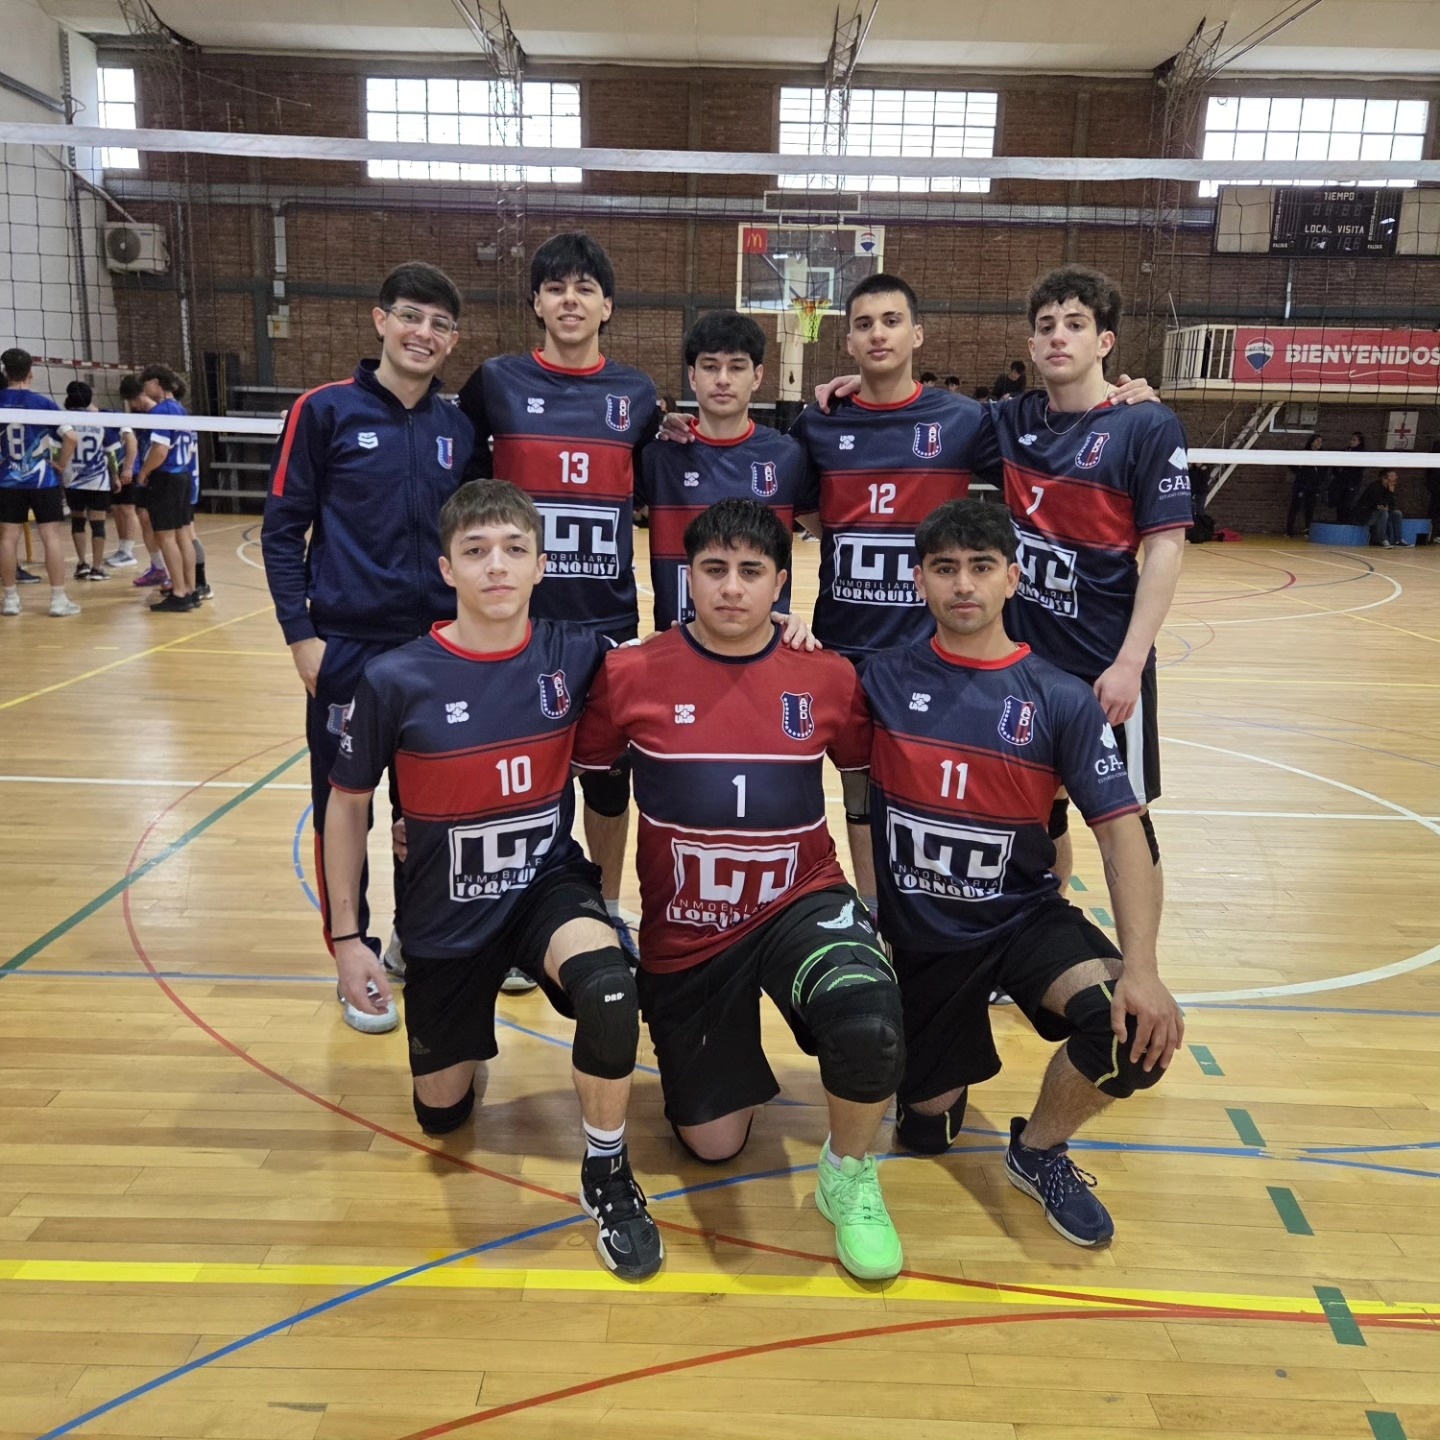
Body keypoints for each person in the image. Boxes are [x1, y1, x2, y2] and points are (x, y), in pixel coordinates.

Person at [326, 479, 662, 1281]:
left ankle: (607, 1172)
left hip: (545, 885)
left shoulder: (577, 654)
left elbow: (689, 664)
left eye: (515, 550)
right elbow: (346, 807)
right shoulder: (395, 678)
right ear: (448, 569)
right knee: (441, 1117)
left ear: (542, 565)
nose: (497, 566)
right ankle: (464, 1036)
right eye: (476, 552)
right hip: (444, 911)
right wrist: (346, 938)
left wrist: (786, 629)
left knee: (610, 990)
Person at [574, 499, 907, 1282]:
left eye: (751, 571)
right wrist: (605, 902)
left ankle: (849, 1174)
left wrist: (872, 904)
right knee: (714, 1143)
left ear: (780, 583)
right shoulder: (629, 673)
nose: (731, 588)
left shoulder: (825, 675)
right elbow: (603, 789)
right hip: (688, 930)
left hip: (799, 897)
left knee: (867, 1017)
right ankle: (731, 1054)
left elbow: (861, 786)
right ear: (685, 577)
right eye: (714, 569)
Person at [856, 498, 1183, 1245]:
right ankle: (934, 1074)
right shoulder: (877, 681)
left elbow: (1122, 834)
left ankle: (1037, 1150)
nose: (962, 584)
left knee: (1135, 1031)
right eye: (944, 568)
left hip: (1021, 919)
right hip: (925, 940)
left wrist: (1142, 968)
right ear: (918, 581)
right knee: (926, 1134)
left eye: (981, 567)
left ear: (1013, 578)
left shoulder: (1059, 698)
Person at [263, 260, 474, 1033]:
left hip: (434, 652)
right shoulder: (323, 411)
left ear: (453, 341)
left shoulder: (457, 429)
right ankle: (351, 955)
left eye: (440, 324)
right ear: (381, 320)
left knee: (427, 812)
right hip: (348, 650)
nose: (424, 333)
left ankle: (417, 939)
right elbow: (282, 532)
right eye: (411, 316)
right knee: (342, 809)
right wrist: (302, 638)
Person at [457, 232, 658, 961]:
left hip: (605, 619)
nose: (569, 300)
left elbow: (661, 476)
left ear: (607, 306)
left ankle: (604, 909)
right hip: (514, 622)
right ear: (536, 303)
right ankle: (515, 917)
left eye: (584, 288)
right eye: (555, 288)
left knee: (606, 779)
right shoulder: (495, 383)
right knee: (517, 778)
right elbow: (458, 485)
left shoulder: (638, 395)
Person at [975, 266, 1191, 915]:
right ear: (1031, 344)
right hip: (1029, 667)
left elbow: (1166, 549)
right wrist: (858, 387)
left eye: (1075, 324)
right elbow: (916, 417)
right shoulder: (1012, 420)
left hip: (1105, 665)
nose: (1058, 337)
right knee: (1037, 814)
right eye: (1046, 326)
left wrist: (1129, 664)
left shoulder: (1145, 425)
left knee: (1124, 818)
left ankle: (1139, 962)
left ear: (1105, 342)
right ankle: (1045, 930)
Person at [639, 310, 807, 631]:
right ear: (692, 376)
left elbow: (836, 532)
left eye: (737, 367)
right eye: (710, 366)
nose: (723, 379)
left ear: (757, 376)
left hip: (761, 645)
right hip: (678, 640)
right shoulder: (658, 456)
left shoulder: (788, 455)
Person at [0, 347, 80, 618]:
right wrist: (61, 464)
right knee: (50, 536)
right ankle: (58, 600)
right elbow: (71, 437)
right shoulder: (43, 403)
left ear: (5, 372)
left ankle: (10, 600)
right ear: (30, 373)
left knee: (8, 538)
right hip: (42, 480)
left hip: (7, 480)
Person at [135, 365, 199, 612]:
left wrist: (144, 472)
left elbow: (160, 451)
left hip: (167, 478)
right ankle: (190, 590)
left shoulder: (161, 411)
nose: (144, 390)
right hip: (183, 476)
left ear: (156, 383)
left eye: (146, 384)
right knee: (183, 534)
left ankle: (179, 593)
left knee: (165, 536)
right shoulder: (181, 410)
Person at [60, 380, 123, 581]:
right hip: (98, 482)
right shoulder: (99, 420)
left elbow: (57, 449)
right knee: (98, 525)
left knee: (77, 522)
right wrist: (115, 475)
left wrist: (59, 468)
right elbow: (111, 453)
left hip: (73, 479)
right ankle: (97, 568)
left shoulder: (62, 420)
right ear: (89, 399)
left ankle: (82, 564)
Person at [1285, 433, 1326, 538]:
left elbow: (1324, 471)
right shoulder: (1304, 453)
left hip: (1314, 486)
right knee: (1295, 507)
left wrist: (1319, 480)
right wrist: (1299, 471)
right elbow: (1291, 463)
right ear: (1312, 442)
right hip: (1301, 485)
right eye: (1317, 441)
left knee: (1310, 509)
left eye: (1321, 442)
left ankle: (1308, 530)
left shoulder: (1323, 456)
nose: (1319, 443)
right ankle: (1289, 530)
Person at [1356, 468, 1409, 547]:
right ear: (1384, 479)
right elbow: (1377, 503)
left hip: (1380, 514)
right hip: (1366, 516)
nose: (1396, 477)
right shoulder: (1375, 487)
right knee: (1383, 513)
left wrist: (1387, 508)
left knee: (1397, 513)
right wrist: (1390, 493)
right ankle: (1382, 539)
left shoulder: (1389, 488)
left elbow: (1392, 505)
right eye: (1393, 476)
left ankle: (1398, 540)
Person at [1328, 432, 1366, 522]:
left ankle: (1346, 522)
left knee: (1347, 504)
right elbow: (1336, 462)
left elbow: (1359, 468)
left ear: (1359, 442)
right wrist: (1337, 473)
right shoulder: (1346, 450)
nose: (1351, 442)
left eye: (1354, 440)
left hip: (1352, 483)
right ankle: (1339, 521)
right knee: (1340, 504)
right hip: (1342, 482)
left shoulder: (1361, 454)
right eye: (1351, 439)